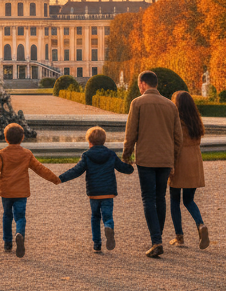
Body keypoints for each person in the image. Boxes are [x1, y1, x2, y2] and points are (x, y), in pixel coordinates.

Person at [0, 122, 60, 257]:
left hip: (6, 191)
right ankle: (19, 233)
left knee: (7, 216)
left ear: (6, 138)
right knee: (20, 217)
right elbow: (40, 168)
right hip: (21, 192)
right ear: (22, 137)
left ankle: (7, 243)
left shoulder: (2, 153)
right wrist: (55, 178)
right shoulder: (26, 153)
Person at [122, 70, 183, 258]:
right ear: (156, 84)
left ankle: (156, 240)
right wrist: (172, 160)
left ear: (142, 84)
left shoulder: (137, 103)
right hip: (165, 159)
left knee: (148, 198)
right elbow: (178, 138)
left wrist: (126, 156)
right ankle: (158, 238)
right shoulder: (170, 105)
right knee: (160, 198)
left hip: (146, 159)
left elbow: (131, 133)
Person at [57, 126, 135, 252]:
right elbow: (122, 167)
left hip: (94, 192)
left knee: (95, 217)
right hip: (108, 192)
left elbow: (76, 171)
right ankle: (108, 227)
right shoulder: (111, 154)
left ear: (89, 142)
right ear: (104, 141)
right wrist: (130, 167)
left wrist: (61, 178)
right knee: (108, 216)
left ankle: (97, 244)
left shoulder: (87, 155)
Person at [168, 91, 209, 250]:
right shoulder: (196, 120)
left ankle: (179, 237)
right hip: (195, 161)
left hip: (180, 161)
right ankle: (200, 224)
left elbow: (175, 144)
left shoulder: (176, 121)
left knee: (174, 200)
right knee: (189, 200)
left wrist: (170, 163)